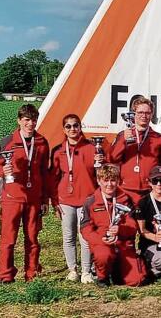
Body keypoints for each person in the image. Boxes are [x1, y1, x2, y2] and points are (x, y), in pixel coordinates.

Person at [0, 104, 51, 283]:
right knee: (8, 239)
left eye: (33, 120)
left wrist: (44, 199)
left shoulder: (42, 142)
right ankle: (5, 275)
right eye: (27, 120)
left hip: (34, 199)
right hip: (12, 198)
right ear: (19, 121)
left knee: (32, 238)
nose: (30, 124)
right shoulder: (8, 141)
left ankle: (31, 274)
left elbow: (44, 172)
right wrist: (3, 170)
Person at [49, 114, 105, 284]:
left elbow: (101, 174)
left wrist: (101, 162)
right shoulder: (58, 150)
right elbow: (53, 177)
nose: (72, 129)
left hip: (86, 200)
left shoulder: (92, 148)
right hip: (65, 199)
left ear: (80, 127)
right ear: (64, 129)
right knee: (68, 236)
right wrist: (54, 200)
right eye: (68, 126)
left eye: (75, 125)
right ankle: (73, 269)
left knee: (85, 237)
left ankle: (87, 271)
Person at [80, 165, 145, 287]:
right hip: (102, 244)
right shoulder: (91, 201)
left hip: (123, 244)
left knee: (137, 280)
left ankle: (116, 271)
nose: (109, 184)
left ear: (118, 181)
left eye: (113, 180)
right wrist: (101, 239)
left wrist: (120, 229)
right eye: (105, 180)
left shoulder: (126, 199)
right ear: (99, 181)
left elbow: (132, 224)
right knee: (103, 255)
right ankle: (102, 277)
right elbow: (85, 228)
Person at [109, 96, 161, 205]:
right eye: (140, 112)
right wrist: (122, 141)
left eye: (147, 113)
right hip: (126, 189)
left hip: (150, 190)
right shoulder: (123, 135)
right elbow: (112, 158)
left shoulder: (158, 138)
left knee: (149, 222)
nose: (144, 116)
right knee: (127, 222)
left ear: (151, 115)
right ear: (134, 114)